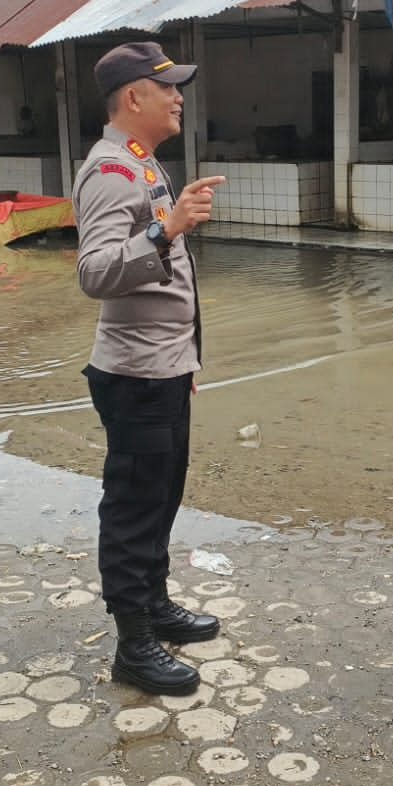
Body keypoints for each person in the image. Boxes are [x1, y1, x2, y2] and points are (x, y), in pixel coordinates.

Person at [74, 41, 226, 697]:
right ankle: (133, 645)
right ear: (133, 97)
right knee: (134, 508)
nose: (179, 97)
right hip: (135, 376)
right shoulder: (110, 171)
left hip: (162, 368)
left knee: (162, 497)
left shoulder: (142, 163)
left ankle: (156, 607)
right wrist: (165, 229)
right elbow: (95, 273)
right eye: (167, 88)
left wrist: (185, 360)